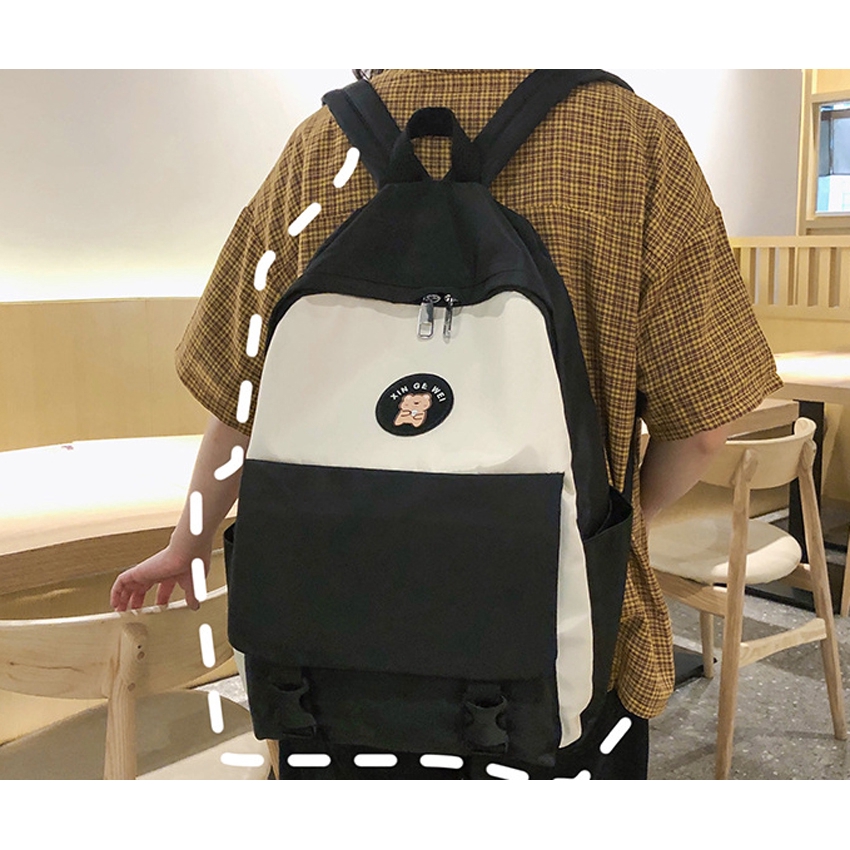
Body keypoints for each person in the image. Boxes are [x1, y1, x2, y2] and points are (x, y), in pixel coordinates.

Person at [110, 69, 782, 778]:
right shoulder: (632, 139)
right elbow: (702, 431)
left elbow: (238, 398)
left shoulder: (317, 146)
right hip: (555, 659)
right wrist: (598, 534)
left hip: (327, 660)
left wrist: (188, 542)